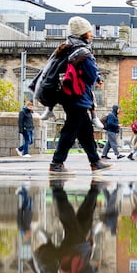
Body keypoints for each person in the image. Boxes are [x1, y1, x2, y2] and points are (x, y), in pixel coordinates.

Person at [28, 179, 100, 273]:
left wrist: (92, 256)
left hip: (75, 252)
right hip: (60, 257)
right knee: (83, 222)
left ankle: (57, 189)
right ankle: (94, 190)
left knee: (71, 220)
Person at [49, 17, 111, 175]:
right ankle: (57, 163)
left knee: (85, 130)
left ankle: (95, 161)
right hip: (77, 95)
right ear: (83, 33)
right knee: (70, 130)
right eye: (89, 31)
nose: (91, 34)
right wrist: (97, 78)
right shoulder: (82, 51)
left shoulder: (66, 47)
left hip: (67, 94)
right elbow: (90, 74)